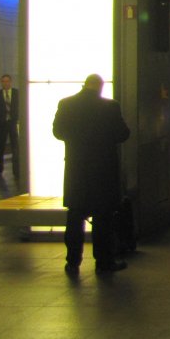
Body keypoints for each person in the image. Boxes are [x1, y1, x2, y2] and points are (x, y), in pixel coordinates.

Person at [53, 74, 131, 274]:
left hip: (76, 170)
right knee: (103, 218)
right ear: (100, 87)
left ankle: (72, 262)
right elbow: (123, 134)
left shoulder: (66, 104)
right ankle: (104, 262)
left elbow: (58, 132)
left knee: (75, 216)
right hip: (103, 171)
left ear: (84, 85)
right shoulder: (110, 106)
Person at [0, 74, 20, 178]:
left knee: (15, 147)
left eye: (7, 81)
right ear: (1, 82)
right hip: (1, 125)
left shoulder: (17, 94)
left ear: (11, 82)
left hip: (13, 124)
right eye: (3, 81)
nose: (5, 83)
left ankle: (17, 170)